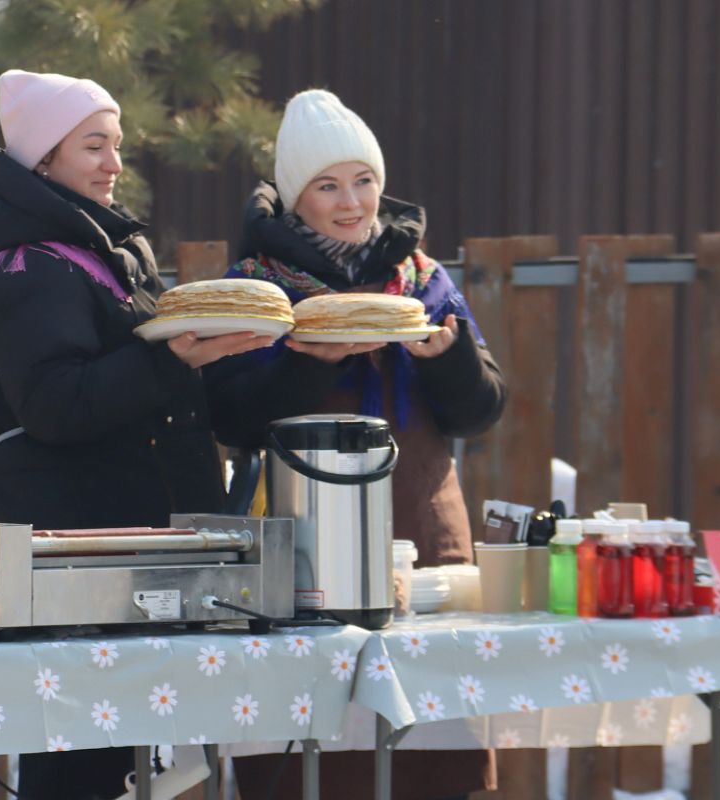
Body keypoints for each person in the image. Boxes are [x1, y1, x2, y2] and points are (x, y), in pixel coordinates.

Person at [0, 69, 272, 800]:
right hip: (75, 569)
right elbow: (58, 405)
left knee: (120, 763)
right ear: (41, 160)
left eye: (117, 145)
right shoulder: (26, 267)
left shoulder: (101, 258)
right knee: (80, 770)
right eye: (94, 145)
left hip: (120, 564)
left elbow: (147, 398)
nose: (115, 164)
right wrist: (168, 357)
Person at [204, 89, 507, 799]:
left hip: (425, 549)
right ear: (292, 197)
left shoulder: (423, 283)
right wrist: (311, 359)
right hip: (300, 560)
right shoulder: (256, 289)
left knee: (431, 762)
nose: (353, 202)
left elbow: (482, 410)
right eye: (328, 186)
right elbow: (231, 418)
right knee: (315, 764)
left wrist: (445, 359)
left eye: (364, 181)